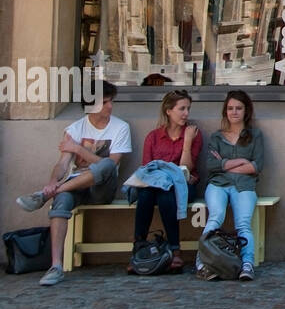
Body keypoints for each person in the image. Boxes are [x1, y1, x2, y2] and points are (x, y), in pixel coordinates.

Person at [15, 81, 131, 287]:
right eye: (104, 102)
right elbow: (62, 164)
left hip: (101, 189)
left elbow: (112, 165)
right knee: (61, 200)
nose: (110, 106)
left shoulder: (120, 127)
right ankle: (56, 266)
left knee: (105, 166)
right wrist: (52, 182)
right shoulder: (76, 128)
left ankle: (45, 195)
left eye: (110, 101)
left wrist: (79, 150)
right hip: (75, 186)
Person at [130, 89, 202, 273]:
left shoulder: (193, 133)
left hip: (184, 186)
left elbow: (187, 167)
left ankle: (175, 250)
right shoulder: (153, 137)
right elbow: (147, 169)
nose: (186, 113)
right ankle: (139, 250)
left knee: (166, 195)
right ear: (169, 111)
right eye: (181, 109)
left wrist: (186, 143)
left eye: (188, 109)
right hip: (154, 184)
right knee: (145, 195)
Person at [198, 90, 264, 281]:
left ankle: (247, 264)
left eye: (238, 108)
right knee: (215, 218)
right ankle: (203, 263)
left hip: (244, 186)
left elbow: (257, 165)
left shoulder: (255, 136)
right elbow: (211, 166)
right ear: (225, 111)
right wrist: (241, 161)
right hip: (218, 184)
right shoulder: (217, 137)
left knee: (243, 224)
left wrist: (225, 164)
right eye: (230, 108)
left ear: (246, 111)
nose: (234, 112)